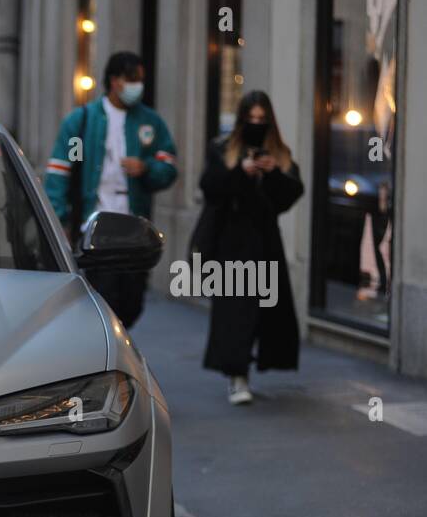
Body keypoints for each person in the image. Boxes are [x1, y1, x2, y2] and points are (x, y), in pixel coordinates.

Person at [45, 51, 178, 328]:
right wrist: (61, 220)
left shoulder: (149, 123)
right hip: (94, 228)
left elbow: (168, 166)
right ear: (115, 81)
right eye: (132, 79)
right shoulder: (81, 122)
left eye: (140, 79)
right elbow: (60, 172)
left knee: (131, 300)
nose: (137, 85)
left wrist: (147, 168)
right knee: (102, 300)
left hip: (133, 228)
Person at [194, 90, 304, 405]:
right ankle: (236, 375)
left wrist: (270, 174)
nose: (256, 123)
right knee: (235, 312)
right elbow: (209, 186)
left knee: (264, 312)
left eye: (261, 118)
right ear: (242, 119)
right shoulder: (222, 148)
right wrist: (239, 172)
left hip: (265, 241)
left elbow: (289, 197)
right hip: (231, 242)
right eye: (251, 118)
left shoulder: (279, 154)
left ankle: (249, 365)